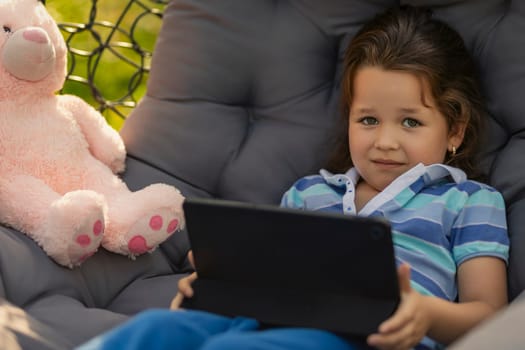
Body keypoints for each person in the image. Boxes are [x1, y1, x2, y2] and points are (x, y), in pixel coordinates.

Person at [77, 6, 509, 350]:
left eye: (411, 123)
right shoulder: (309, 192)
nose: (386, 142)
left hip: (368, 338)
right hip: (266, 319)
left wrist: (425, 315)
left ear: (454, 128)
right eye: (369, 119)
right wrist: (216, 287)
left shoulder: (468, 200)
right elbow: (264, 280)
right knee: (157, 330)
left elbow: (490, 314)